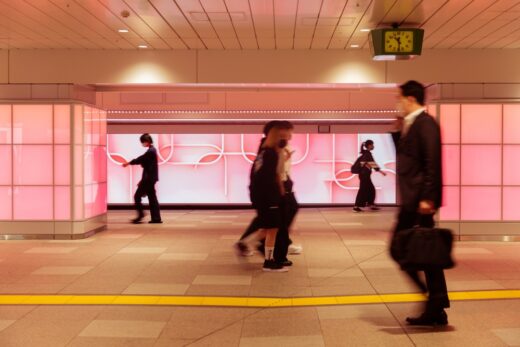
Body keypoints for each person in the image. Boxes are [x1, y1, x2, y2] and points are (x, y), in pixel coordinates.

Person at [391, 80, 449, 326]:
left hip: (418, 202)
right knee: (425, 254)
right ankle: (435, 305)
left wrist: (428, 197)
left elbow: (431, 162)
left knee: (402, 250)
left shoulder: (426, 124)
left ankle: (434, 302)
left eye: (399, 98)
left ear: (410, 99)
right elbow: (410, 159)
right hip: (412, 201)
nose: (397, 102)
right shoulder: (412, 124)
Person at [242, 123, 288, 272]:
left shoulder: (264, 152)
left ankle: (249, 243)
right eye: (284, 135)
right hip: (267, 197)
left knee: (269, 227)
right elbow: (268, 177)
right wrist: (275, 195)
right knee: (272, 228)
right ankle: (268, 261)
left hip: (261, 196)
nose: (287, 138)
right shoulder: (271, 154)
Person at [122, 133, 162, 224]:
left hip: (148, 179)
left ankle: (141, 214)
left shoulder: (150, 151)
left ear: (147, 141)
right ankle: (156, 218)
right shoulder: (152, 150)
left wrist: (128, 163)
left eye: (142, 142)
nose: (142, 144)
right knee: (152, 198)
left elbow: (141, 159)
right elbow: (146, 164)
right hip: (150, 179)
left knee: (137, 196)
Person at [352, 139, 387, 213]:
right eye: (372, 144)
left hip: (364, 175)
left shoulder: (366, 154)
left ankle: (370, 204)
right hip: (364, 175)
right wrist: (381, 172)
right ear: (369, 145)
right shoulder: (367, 154)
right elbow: (372, 164)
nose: (373, 146)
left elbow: (369, 163)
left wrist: (365, 166)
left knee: (370, 190)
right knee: (363, 190)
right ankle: (356, 206)